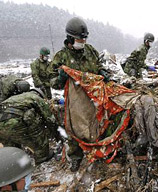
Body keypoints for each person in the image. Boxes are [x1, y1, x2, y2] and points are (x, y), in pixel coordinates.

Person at [50, 17, 110, 172]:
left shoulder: (90, 51)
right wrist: (60, 78)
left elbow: (99, 65)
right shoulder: (61, 57)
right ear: (70, 38)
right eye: (79, 39)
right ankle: (76, 156)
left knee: (95, 123)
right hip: (74, 99)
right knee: (73, 128)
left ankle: (95, 150)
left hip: (93, 97)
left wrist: (103, 71)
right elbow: (52, 82)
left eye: (84, 39)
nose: (82, 42)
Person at [0, 86, 58, 165]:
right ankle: (42, 156)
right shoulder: (35, 97)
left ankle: (15, 163)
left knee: (12, 148)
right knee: (34, 124)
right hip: (12, 124)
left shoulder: (17, 98)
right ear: (39, 95)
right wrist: (55, 131)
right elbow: (49, 118)